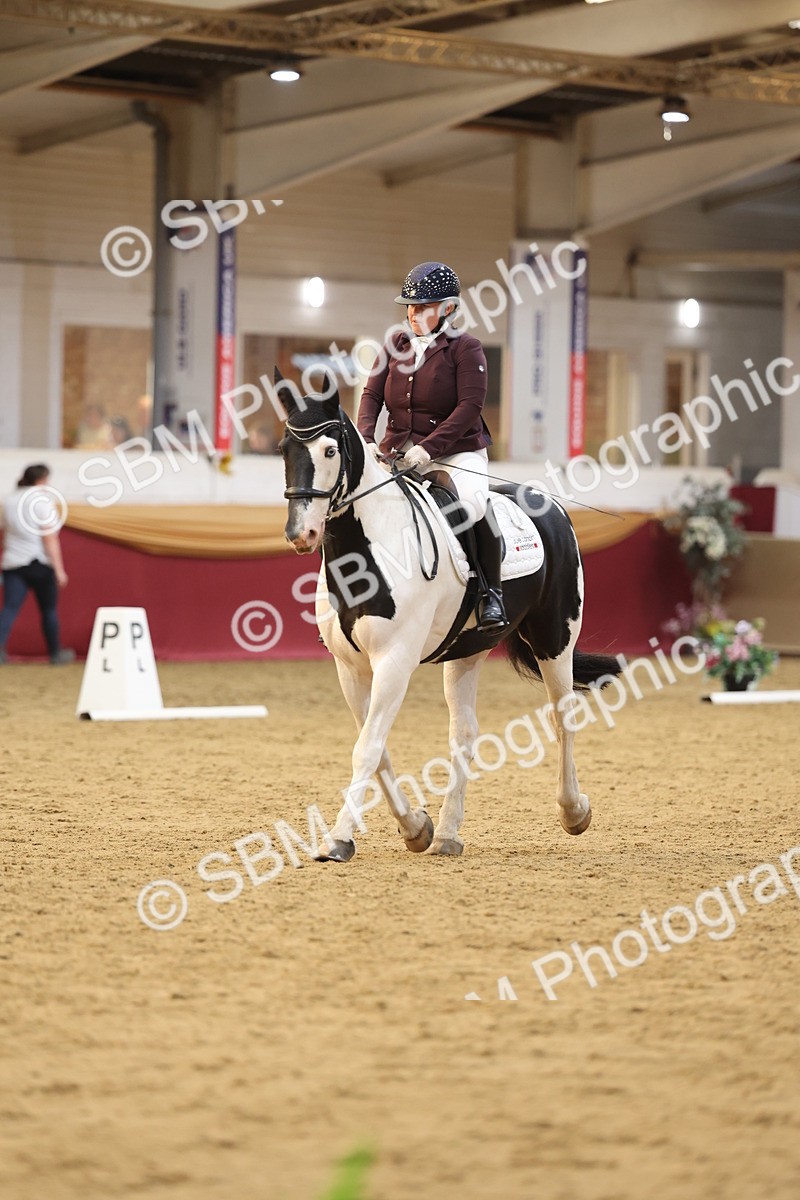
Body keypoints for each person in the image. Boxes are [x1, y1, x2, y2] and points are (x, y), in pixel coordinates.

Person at [357, 260, 507, 632]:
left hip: (457, 451)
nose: (413, 314)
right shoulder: (395, 345)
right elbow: (371, 394)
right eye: (410, 306)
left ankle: (491, 593)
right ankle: (352, 599)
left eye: (422, 307)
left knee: (472, 505)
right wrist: (365, 437)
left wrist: (428, 448)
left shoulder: (466, 348)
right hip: (397, 452)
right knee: (363, 506)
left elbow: (469, 407)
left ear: (448, 309)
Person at [0, 465, 74, 665]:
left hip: (14, 562)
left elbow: (4, 531)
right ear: (42, 479)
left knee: (9, 608)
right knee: (48, 609)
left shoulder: (9, 500)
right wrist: (59, 569)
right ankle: (55, 652)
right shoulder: (42, 501)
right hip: (39, 562)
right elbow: (49, 537)